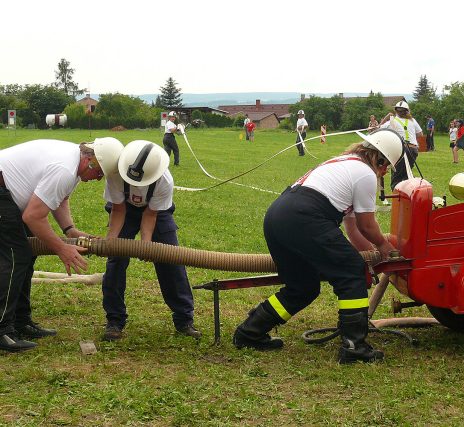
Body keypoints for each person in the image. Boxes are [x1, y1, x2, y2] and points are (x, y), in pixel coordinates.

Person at [233, 129, 403, 364]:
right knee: (351, 272)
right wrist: (384, 248)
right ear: (380, 159)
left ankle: (249, 332)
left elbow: (353, 229)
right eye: (386, 167)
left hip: (278, 216)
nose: (384, 172)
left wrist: (370, 259)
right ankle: (355, 346)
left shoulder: (344, 164)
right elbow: (366, 225)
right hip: (305, 218)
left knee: (303, 287)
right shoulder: (365, 173)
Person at [0, 137, 123, 352]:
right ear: (91, 161)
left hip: (9, 193)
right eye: (100, 174)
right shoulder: (65, 168)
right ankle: (2, 331)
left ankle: (21, 321)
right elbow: (33, 216)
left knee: (26, 255)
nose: (98, 179)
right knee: (15, 256)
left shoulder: (74, 163)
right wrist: (62, 249)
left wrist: (70, 230)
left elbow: (58, 199)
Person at [101, 140, 200, 341]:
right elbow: (119, 210)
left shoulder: (164, 180)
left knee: (170, 259)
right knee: (115, 261)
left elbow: (151, 215)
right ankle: (114, 320)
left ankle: (184, 319)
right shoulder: (115, 173)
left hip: (157, 214)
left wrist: (147, 246)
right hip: (124, 211)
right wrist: (111, 241)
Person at [380, 101, 423, 189]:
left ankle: (397, 196)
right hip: (413, 150)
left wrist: (386, 117)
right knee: (407, 174)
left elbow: (378, 129)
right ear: (407, 111)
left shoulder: (392, 121)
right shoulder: (412, 120)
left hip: (401, 150)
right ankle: (407, 193)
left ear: (396, 111)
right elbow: (420, 134)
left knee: (396, 176)